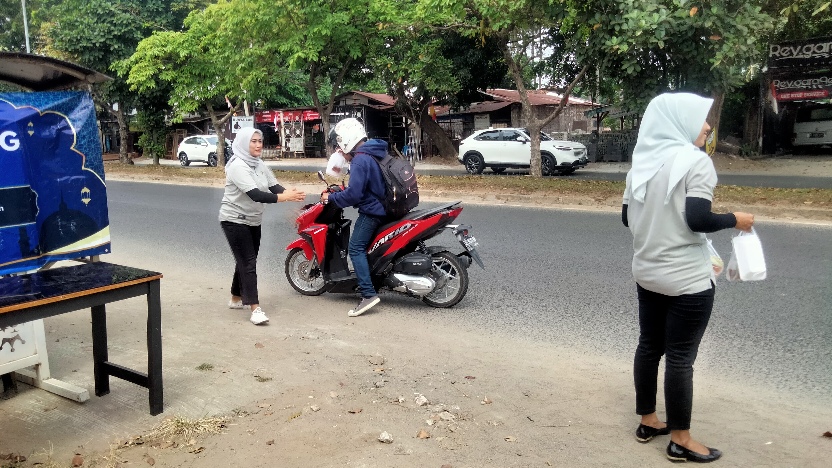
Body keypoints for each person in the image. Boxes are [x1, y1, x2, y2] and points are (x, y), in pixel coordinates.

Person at [621, 93, 754, 463]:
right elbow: (698, 219)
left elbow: (627, 218)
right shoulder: (696, 162)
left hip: (647, 271)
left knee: (650, 345)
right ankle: (680, 439)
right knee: (680, 357)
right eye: (701, 119)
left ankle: (648, 421)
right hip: (686, 279)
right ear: (679, 123)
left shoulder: (641, 165)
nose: (708, 126)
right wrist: (736, 219)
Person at [219, 127, 306, 325]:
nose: (258, 145)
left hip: (252, 219)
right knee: (248, 262)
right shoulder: (237, 166)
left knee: (246, 260)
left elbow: (273, 187)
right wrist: (285, 197)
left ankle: (235, 298)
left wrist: (291, 195)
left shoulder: (258, 164)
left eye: (260, 141)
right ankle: (255, 309)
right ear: (244, 143)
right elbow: (256, 195)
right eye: (254, 141)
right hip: (234, 220)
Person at [319, 118, 387, 317]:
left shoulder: (360, 159)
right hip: (385, 207)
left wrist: (332, 197)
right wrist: (343, 191)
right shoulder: (375, 151)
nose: (339, 149)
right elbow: (366, 186)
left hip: (373, 212)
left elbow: (355, 195)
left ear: (347, 139)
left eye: (339, 143)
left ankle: (368, 294)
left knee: (356, 248)